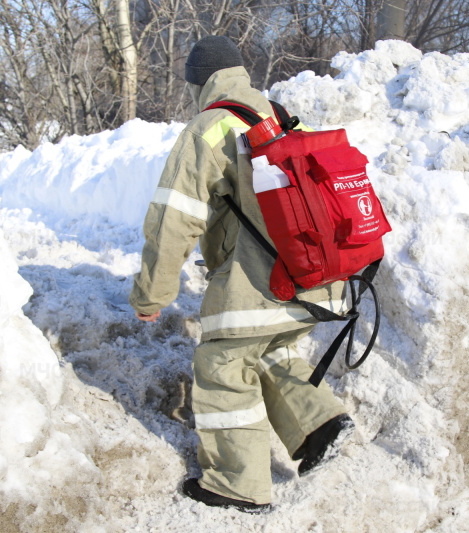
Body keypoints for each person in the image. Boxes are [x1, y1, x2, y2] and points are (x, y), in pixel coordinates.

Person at [130, 35, 353, 513]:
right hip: (318, 276)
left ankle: (237, 485)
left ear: (198, 83)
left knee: (223, 363)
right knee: (270, 348)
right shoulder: (281, 115)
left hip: (262, 282)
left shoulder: (207, 128)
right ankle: (320, 426)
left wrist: (152, 294)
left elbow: (175, 218)